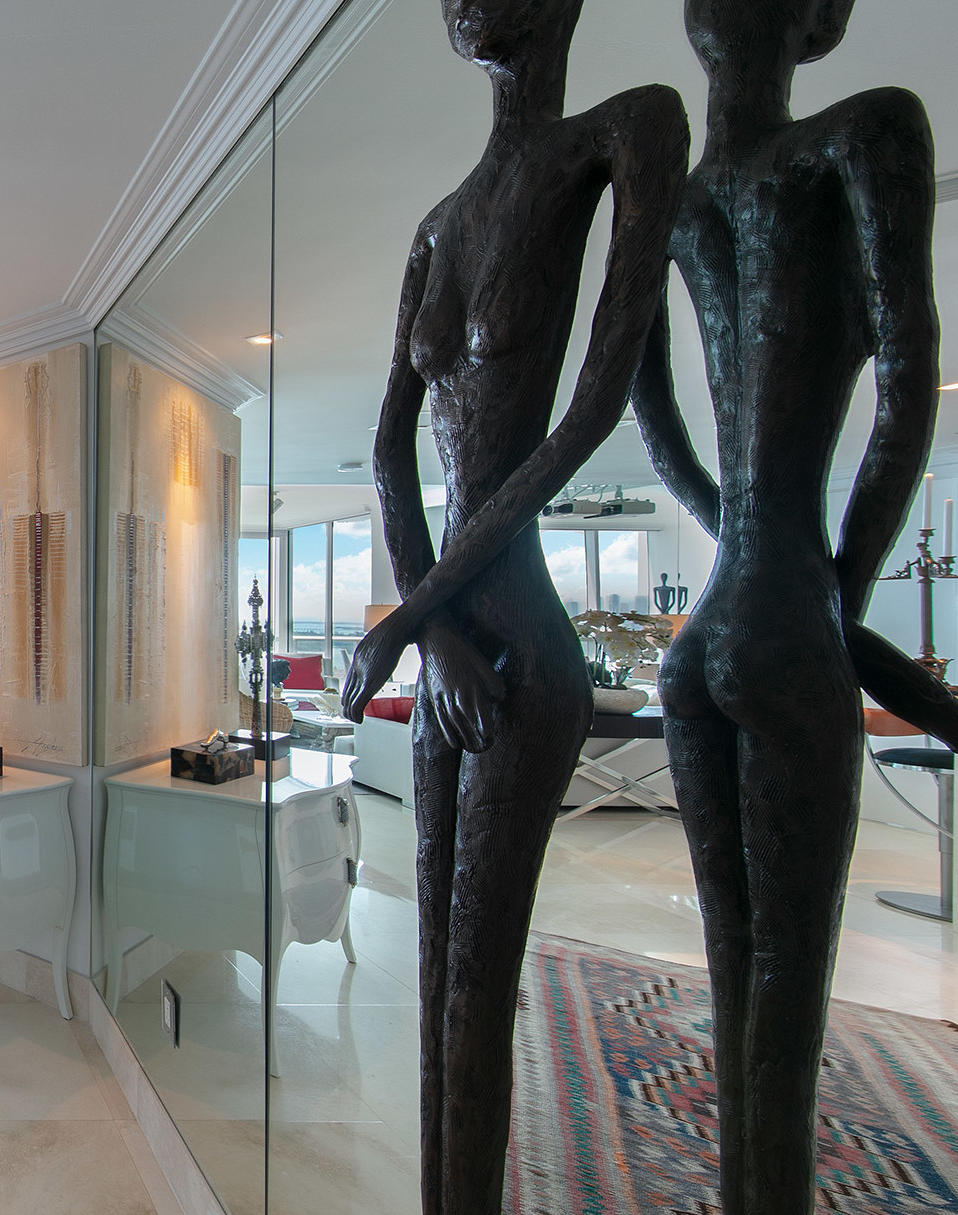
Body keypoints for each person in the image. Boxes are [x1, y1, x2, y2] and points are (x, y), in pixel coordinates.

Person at [337, 2, 687, 1210]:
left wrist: (409, 616)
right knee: (434, 983)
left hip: (521, 639)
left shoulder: (625, 132)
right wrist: (428, 628)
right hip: (449, 639)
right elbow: (389, 451)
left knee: (477, 993)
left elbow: (591, 411)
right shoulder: (436, 226)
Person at [627, 2, 942, 1209]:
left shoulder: (676, 200)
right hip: (778, 606)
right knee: (785, 996)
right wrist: (823, 592)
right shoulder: (860, 134)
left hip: (710, 625)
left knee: (736, 971)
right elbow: (906, 381)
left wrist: (759, 559)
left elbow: (657, 427)